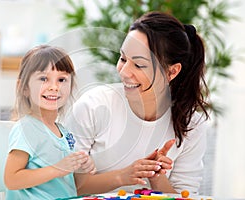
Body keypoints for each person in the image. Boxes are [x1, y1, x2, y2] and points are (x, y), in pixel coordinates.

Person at [64, 11, 210, 195]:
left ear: (172, 72)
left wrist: (156, 176)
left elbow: (185, 196)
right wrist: (123, 176)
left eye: (139, 65)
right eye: (123, 58)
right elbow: (64, 185)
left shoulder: (191, 125)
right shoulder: (93, 106)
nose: (124, 72)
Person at [4, 45, 96, 200]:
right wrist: (58, 168)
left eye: (62, 80)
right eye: (43, 79)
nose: (54, 87)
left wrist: (82, 167)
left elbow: (69, 183)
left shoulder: (63, 132)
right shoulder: (26, 129)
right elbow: (12, 180)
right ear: (24, 87)